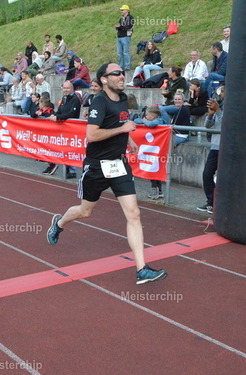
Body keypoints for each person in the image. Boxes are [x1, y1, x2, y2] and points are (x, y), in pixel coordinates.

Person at [46, 62, 167, 285]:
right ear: (104, 79)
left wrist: (129, 140)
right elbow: (92, 135)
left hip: (119, 164)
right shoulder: (99, 102)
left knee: (134, 214)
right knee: (85, 211)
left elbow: (121, 121)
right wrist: (123, 129)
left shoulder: (123, 98)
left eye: (123, 73)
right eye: (117, 73)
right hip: (97, 167)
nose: (122, 76)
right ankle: (59, 223)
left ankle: (142, 269)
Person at [197, 85, 225, 214]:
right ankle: (211, 202)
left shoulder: (233, 107)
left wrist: (218, 111)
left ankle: (221, 204)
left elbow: (226, 125)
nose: (220, 94)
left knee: (224, 177)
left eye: (223, 91)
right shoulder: (220, 107)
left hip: (227, 148)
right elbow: (208, 126)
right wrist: (210, 114)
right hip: (215, 147)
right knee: (207, 174)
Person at [45, 80, 81, 179]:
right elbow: (60, 111)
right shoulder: (64, 98)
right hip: (63, 128)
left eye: (67, 88)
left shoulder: (75, 99)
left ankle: (72, 170)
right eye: (64, 88)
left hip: (72, 128)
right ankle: (67, 168)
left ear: (72, 89)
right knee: (64, 148)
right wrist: (54, 115)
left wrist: (58, 117)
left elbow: (71, 114)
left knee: (70, 149)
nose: (65, 90)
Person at [134, 105, 167, 200]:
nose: (146, 117)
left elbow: (152, 124)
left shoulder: (160, 121)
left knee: (153, 170)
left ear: (153, 116)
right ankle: (159, 191)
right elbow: (136, 121)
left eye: (147, 115)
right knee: (153, 170)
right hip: (151, 149)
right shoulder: (149, 120)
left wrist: (144, 121)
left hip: (158, 150)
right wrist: (143, 120)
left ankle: (155, 191)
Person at [115, 5, 134, 71]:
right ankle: (121, 67)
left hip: (126, 37)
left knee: (126, 52)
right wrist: (117, 27)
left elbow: (128, 27)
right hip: (119, 37)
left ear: (126, 10)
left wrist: (120, 27)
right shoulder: (121, 18)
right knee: (119, 53)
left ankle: (127, 67)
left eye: (122, 10)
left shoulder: (130, 18)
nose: (121, 11)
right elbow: (121, 27)